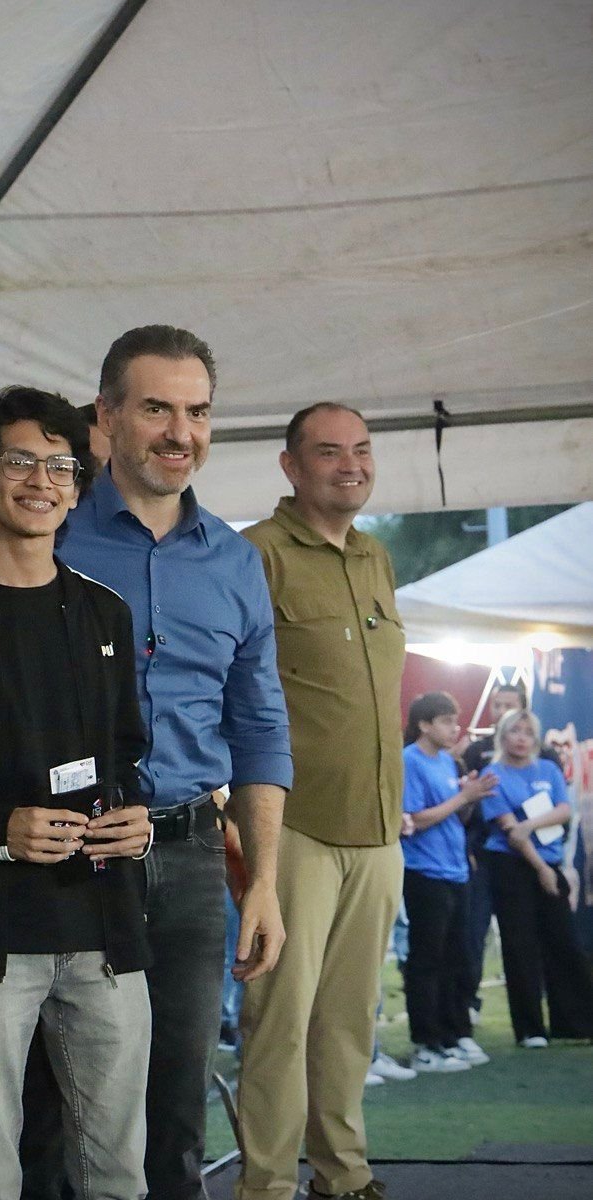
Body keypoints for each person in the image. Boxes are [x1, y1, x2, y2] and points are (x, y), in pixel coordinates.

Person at [0, 325, 293, 1200]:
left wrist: (263, 881)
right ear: (107, 417)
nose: (180, 431)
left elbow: (260, 724)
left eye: (197, 411)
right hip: (44, 868)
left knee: (170, 1106)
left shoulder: (236, 561)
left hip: (188, 851)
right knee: (40, 1122)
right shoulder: (42, 529)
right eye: (157, 408)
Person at [0, 386, 153, 1199]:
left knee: (118, 1170)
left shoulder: (104, 613)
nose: (42, 481)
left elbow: (128, 755)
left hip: (104, 923)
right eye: (20, 461)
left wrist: (138, 820)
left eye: (62, 466)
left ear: (79, 488)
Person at [237, 402, 405, 1200]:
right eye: (331, 451)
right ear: (291, 466)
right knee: (279, 1021)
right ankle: (267, 1186)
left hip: (379, 831)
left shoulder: (375, 555)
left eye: (362, 450)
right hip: (292, 829)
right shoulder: (255, 555)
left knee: (349, 1021)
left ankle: (343, 1176)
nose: (352, 465)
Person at [480, 708, 593, 1047]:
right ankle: (530, 1029)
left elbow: (563, 809)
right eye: (515, 731)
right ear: (503, 735)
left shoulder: (547, 769)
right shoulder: (493, 774)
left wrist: (530, 825)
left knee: (564, 941)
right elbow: (510, 831)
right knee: (520, 945)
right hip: (511, 866)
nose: (521, 739)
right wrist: (541, 868)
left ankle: (575, 1023)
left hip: (549, 860)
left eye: (528, 733)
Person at [400, 692, 497, 1072]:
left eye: (455, 721)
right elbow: (413, 820)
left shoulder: (447, 761)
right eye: (446, 721)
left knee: (460, 956)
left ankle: (455, 1034)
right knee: (427, 959)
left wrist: (469, 798)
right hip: (424, 872)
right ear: (424, 724)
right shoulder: (410, 760)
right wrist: (462, 798)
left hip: (456, 870)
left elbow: (457, 818)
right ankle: (426, 1042)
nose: (455, 729)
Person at [461, 681, 562, 1021]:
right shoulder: (478, 753)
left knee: (546, 935)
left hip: (542, 857)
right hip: (486, 855)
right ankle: (468, 1004)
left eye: (510, 705)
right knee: (476, 932)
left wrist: (533, 834)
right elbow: (470, 806)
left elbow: (562, 808)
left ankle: (558, 1010)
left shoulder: (546, 758)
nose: (502, 711)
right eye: (497, 704)